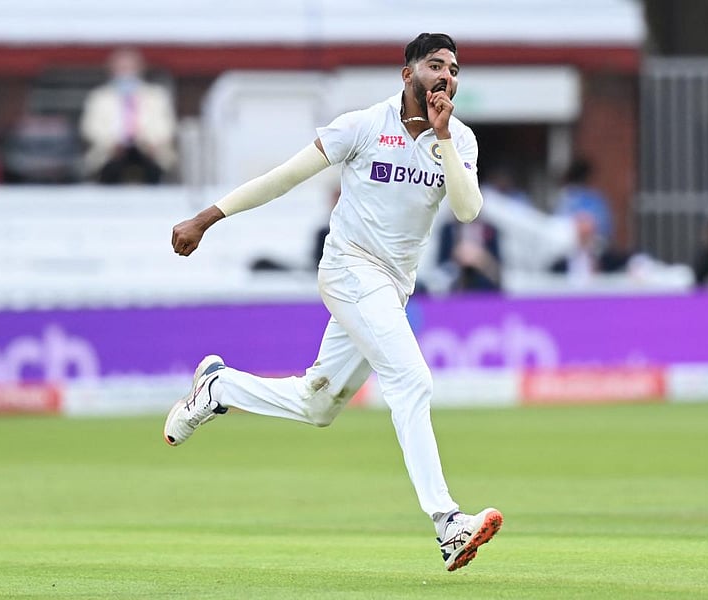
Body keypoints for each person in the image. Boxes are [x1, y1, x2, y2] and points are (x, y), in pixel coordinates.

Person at [163, 33, 502, 572]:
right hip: (349, 270)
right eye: (435, 65)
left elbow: (466, 211)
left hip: (392, 285)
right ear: (406, 73)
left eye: (455, 69)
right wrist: (207, 218)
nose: (447, 76)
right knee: (412, 381)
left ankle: (218, 387)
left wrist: (441, 139)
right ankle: (447, 524)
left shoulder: (458, 140)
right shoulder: (363, 125)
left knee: (317, 404)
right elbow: (282, 179)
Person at [79, 48, 177, 184]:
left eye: (130, 68)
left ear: (139, 69)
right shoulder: (99, 97)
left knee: (152, 169)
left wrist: (150, 142)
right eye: (121, 68)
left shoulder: (156, 95)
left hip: (150, 153)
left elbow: (167, 126)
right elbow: (90, 128)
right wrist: (111, 144)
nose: (126, 73)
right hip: (110, 154)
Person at [553, 157, 614, 243]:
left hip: (572, 245)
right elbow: (606, 228)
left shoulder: (565, 197)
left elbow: (557, 225)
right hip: (589, 246)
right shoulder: (595, 198)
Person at [437, 217, 503, 292]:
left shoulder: (490, 229)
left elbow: (498, 273)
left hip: (484, 290)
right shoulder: (448, 229)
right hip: (456, 288)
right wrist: (456, 257)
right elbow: (441, 266)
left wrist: (480, 258)